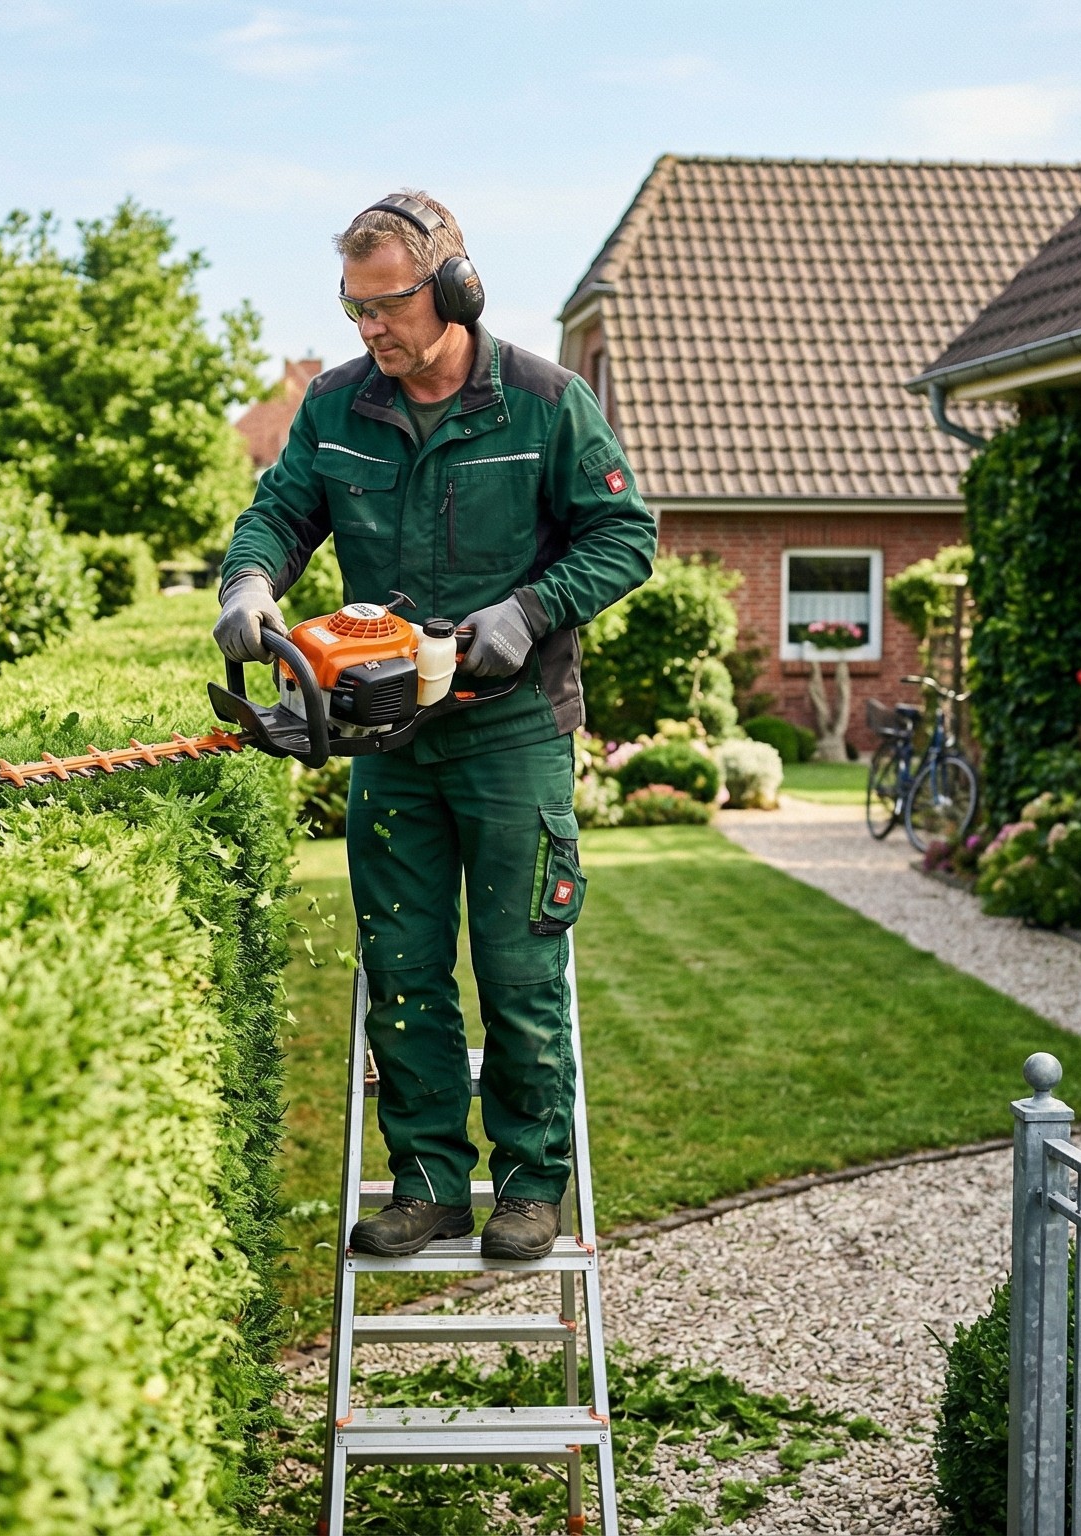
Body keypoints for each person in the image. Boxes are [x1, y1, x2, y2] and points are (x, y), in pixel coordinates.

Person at [216, 191, 655, 1260]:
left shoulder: (545, 403)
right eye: (353, 308)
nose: (370, 327)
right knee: (404, 969)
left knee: (518, 971)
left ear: (456, 288)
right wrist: (250, 582)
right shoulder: (336, 406)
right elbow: (281, 512)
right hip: (389, 738)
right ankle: (426, 1185)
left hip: (512, 731)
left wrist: (532, 610)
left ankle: (529, 1186)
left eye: (387, 305)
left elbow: (624, 536)